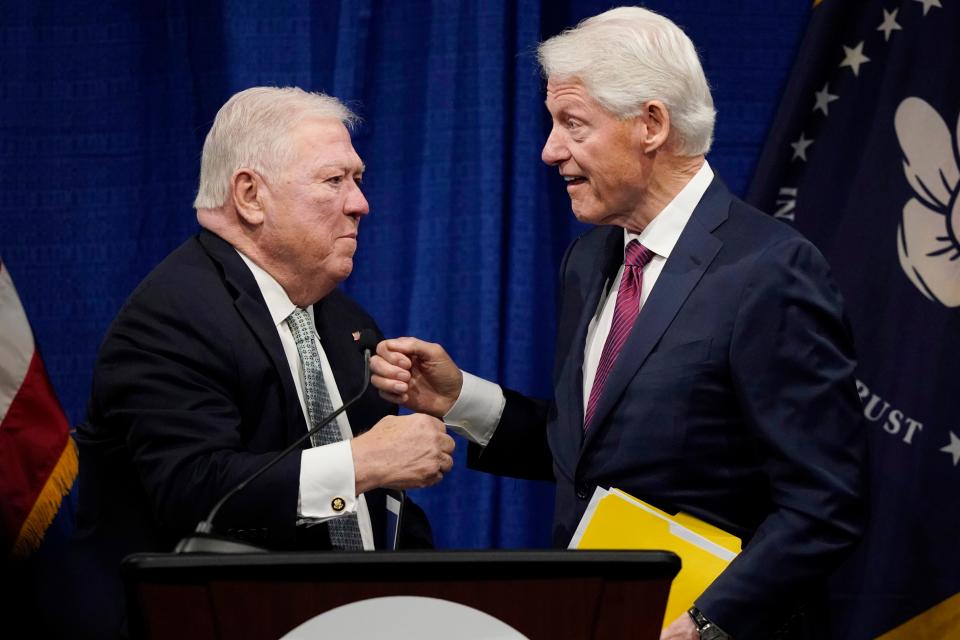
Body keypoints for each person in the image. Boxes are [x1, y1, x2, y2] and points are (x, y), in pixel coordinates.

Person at [370, 8, 866, 640]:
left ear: (651, 125)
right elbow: (595, 459)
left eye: (573, 124)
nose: (550, 151)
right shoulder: (590, 258)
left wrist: (704, 623)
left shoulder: (770, 271)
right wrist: (458, 400)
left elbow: (826, 504)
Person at [73, 87, 454, 638]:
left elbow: (379, 504)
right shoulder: (173, 316)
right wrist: (359, 462)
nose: (359, 203)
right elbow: (192, 487)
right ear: (250, 195)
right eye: (333, 181)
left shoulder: (344, 319)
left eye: (358, 179)